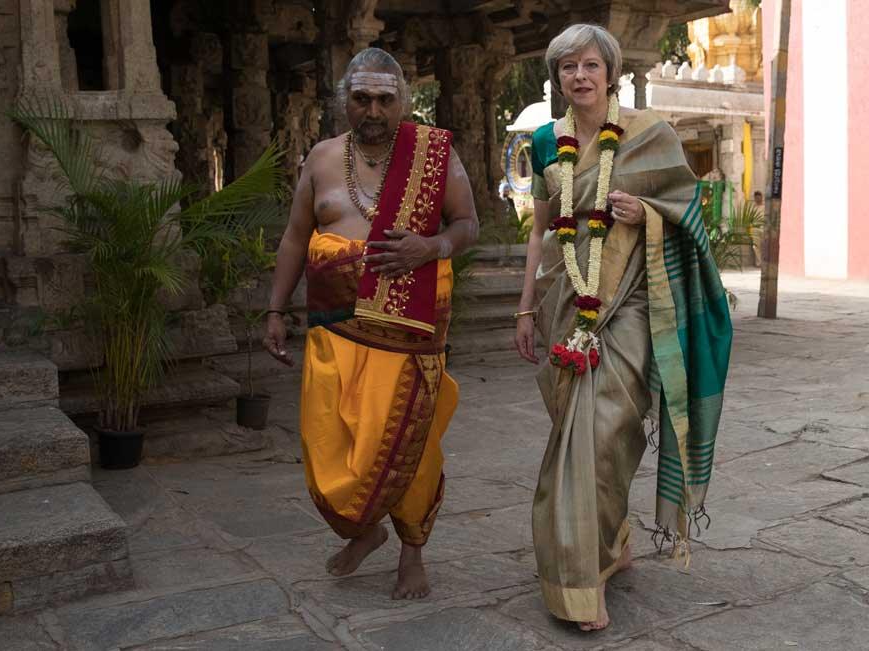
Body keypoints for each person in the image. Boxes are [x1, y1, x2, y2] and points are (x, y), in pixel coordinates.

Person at [512, 24, 733, 631]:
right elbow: (538, 231)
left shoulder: (649, 135)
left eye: (590, 65)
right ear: (556, 79)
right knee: (576, 429)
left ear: (609, 73)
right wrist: (526, 307)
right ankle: (605, 545)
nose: (578, 76)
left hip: (631, 302)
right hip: (566, 298)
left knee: (606, 428)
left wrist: (648, 212)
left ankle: (580, 583)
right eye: (567, 68)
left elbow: (690, 210)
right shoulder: (543, 141)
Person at [263, 47, 479, 600]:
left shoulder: (435, 156)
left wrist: (430, 245)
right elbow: (293, 237)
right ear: (344, 103)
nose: (374, 110)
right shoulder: (320, 159)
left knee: (409, 440)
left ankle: (411, 550)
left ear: (404, 101)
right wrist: (274, 308)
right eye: (362, 99)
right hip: (332, 325)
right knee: (325, 445)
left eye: (385, 99)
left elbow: (467, 225)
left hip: (409, 323)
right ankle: (365, 529)